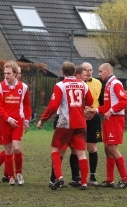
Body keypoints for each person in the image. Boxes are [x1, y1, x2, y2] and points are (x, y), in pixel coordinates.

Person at [37, 61, 93, 190]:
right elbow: (89, 101)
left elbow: (53, 106)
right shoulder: (83, 84)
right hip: (80, 123)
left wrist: (42, 119)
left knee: (55, 150)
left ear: (62, 73)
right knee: (81, 153)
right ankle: (84, 182)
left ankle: (59, 177)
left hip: (65, 123)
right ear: (75, 72)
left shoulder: (60, 85)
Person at [0, 61, 32, 186]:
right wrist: (8, 118)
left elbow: (27, 105)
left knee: (16, 148)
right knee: (8, 150)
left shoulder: (24, 87)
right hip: (4, 122)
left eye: (9, 73)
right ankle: (10, 176)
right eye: (5, 73)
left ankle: (19, 173)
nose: (6, 75)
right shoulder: (0, 87)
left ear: (15, 74)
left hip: (18, 121)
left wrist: (27, 119)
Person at [91, 63, 127, 188]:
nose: (99, 74)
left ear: (108, 71)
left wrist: (111, 111)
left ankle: (125, 179)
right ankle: (110, 180)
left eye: (101, 71)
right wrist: (95, 110)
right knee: (107, 148)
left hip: (115, 119)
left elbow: (125, 101)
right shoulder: (108, 84)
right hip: (110, 119)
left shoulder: (115, 83)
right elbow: (107, 106)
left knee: (112, 148)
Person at [69, 62, 103, 186]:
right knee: (75, 148)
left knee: (92, 147)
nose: (88, 72)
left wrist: (95, 111)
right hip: (79, 118)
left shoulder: (98, 83)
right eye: (86, 70)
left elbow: (101, 101)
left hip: (93, 118)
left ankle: (92, 176)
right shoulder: (75, 84)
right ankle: (76, 177)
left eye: (91, 70)